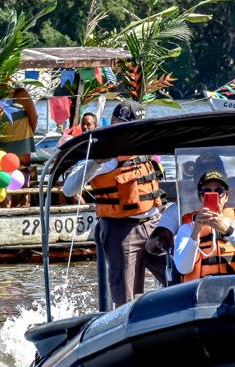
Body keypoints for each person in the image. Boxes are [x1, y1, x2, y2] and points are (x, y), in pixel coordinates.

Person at [62, 99, 161, 307]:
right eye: (124, 128)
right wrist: (97, 161)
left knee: (178, 276)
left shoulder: (146, 146)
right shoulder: (104, 155)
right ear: (115, 126)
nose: (131, 135)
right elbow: (69, 188)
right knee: (126, 297)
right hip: (121, 229)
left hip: (154, 224)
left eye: (136, 129)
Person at [173, 170, 235, 281]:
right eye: (207, 191)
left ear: (226, 197)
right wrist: (196, 232)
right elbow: (183, 268)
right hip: (200, 292)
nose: (214, 194)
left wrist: (228, 231)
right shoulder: (187, 229)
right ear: (201, 197)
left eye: (219, 191)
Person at [0, 86, 37, 207]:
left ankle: (9, 212)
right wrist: (28, 135)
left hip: (9, 145)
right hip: (19, 144)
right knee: (22, 183)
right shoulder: (20, 93)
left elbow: (34, 117)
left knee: (8, 182)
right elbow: (34, 117)